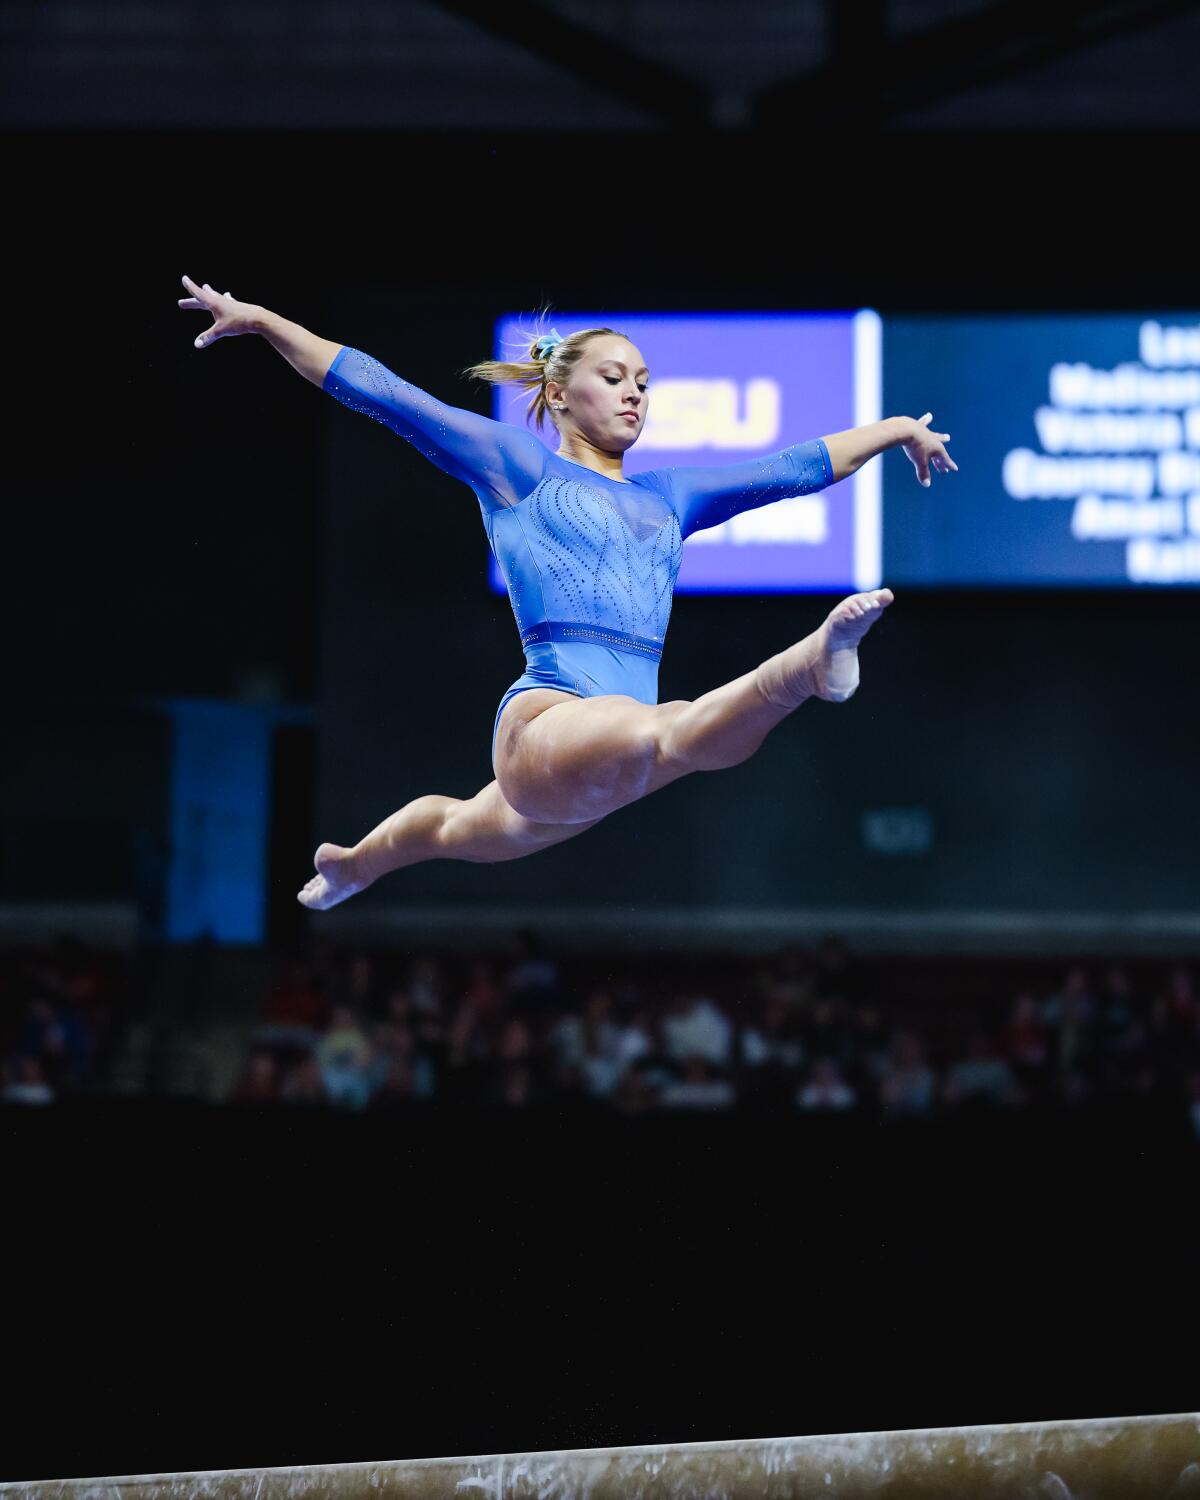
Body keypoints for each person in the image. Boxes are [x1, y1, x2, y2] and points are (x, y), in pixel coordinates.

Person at [179, 277, 957, 910]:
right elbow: (383, 393)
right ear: (557, 395)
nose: (635, 395)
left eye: (644, 384)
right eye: (614, 377)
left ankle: (353, 865)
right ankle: (809, 668)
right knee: (677, 731)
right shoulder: (519, 465)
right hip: (547, 721)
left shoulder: (671, 496)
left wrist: (893, 428)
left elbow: (793, 468)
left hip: (594, 775)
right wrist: (266, 321)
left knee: (454, 824)